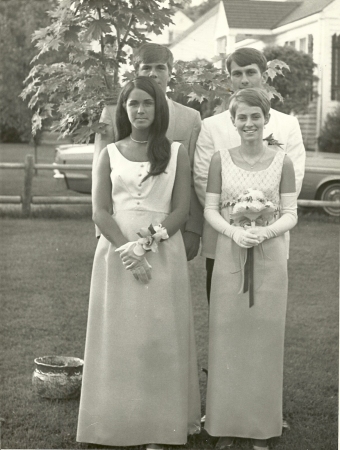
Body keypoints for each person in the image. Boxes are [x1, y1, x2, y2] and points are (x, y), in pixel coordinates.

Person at [77, 76, 201, 449]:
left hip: (162, 250)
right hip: (116, 253)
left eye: (147, 103)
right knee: (118, 336)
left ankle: (159, 429)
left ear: (158, 108)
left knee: (158, 338)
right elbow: (100, 211)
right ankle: (114, 424)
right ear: (124, 109)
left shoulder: (176, 152)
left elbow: (181, 209)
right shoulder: (109, 153)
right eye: (133, 104)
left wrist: (145, 246)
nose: (140, 110)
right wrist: (126, 251)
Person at [203, 88, 298, 450]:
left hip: (270, 256)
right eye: (241, 117)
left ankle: (261, 428)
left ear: (266, 118)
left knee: (264, 341)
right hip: (231, 253)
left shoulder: (282, 161)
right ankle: (226, 424)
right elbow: (212, 209)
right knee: (228, 340)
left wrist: (265, 231)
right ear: (233, 121)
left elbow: (290, 213)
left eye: (255, 116)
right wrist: (233, 232)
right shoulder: (220, 160)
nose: (248, 123)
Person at [194, 47, 305, 301]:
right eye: (237, 73)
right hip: (223, 235)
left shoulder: (287, 124)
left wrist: (263, 221)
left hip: (271, 232)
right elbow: (203, 179)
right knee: (225, 309)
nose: (244, 79)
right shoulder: (211, 126)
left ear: (264, 76)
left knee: (265, 310)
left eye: (251, 72)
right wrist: (235, 224)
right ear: (229, 78)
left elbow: (294, 176)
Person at [94, 42, 203, 261]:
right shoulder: (113, 113)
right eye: (146, 67)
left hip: (170, 228)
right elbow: (100, 175)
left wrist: (193, 228)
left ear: (170, 73)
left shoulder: (190, 118)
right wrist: (102, 232)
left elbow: (193, 178)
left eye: (160, 68)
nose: (153, 74)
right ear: (136, 72)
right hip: (119, 231)